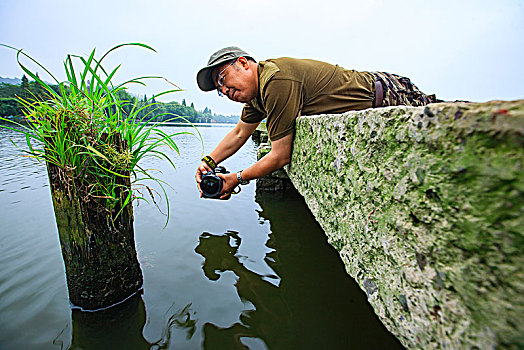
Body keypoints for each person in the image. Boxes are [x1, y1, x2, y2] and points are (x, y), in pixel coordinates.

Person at [195, 46, 439, 199]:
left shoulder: (276, 81)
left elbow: (280, 156)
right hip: (380, 94)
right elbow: (240, 133)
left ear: (244, 63)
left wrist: (236, 178)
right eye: (219, 89)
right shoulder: (257, 96)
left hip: (387, 94)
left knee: (451, 115)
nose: (225, 90)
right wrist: (209, 162)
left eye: (223, 78)